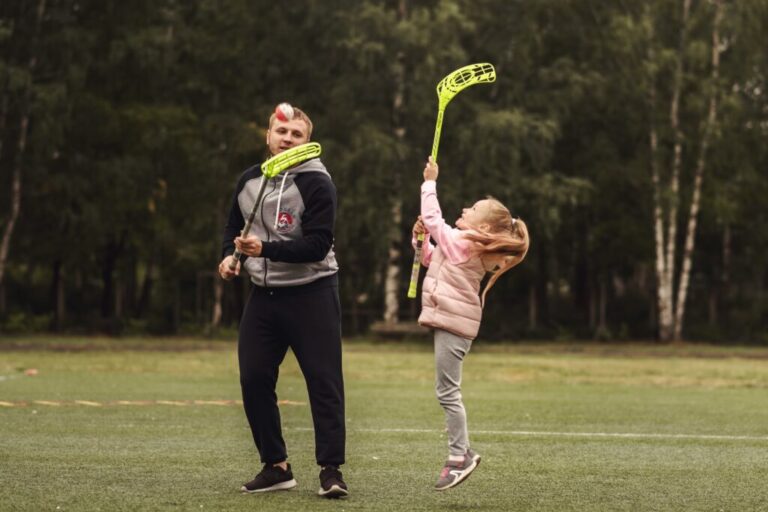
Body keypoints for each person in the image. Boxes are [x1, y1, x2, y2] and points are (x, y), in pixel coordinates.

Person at [218, 103, 347, 499]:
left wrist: (265, 249)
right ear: (268, 136)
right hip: (264, 298)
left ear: (307, 142)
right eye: (282, 132)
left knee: (323, 383)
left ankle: (331, 471)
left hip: (313, 293)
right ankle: (276, 466)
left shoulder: (317, 183)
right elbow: (233, 228)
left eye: (296, 134)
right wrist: (230, 256)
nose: (287, 139)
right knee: (253, 378)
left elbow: (317, 244)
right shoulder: (249, 181)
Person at [412, 156, 530, 491]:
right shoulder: (462, 246)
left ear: (485, 229)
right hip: (450, 323)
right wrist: (419, 240)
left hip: (454, 326)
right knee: (446, 391)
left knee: (448, 392)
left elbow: (436, 222)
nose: (465, 209)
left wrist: (430, 182)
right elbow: (431, 258)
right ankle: (459, 454)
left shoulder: (465, 243)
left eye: (473, 209)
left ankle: (459, 457)